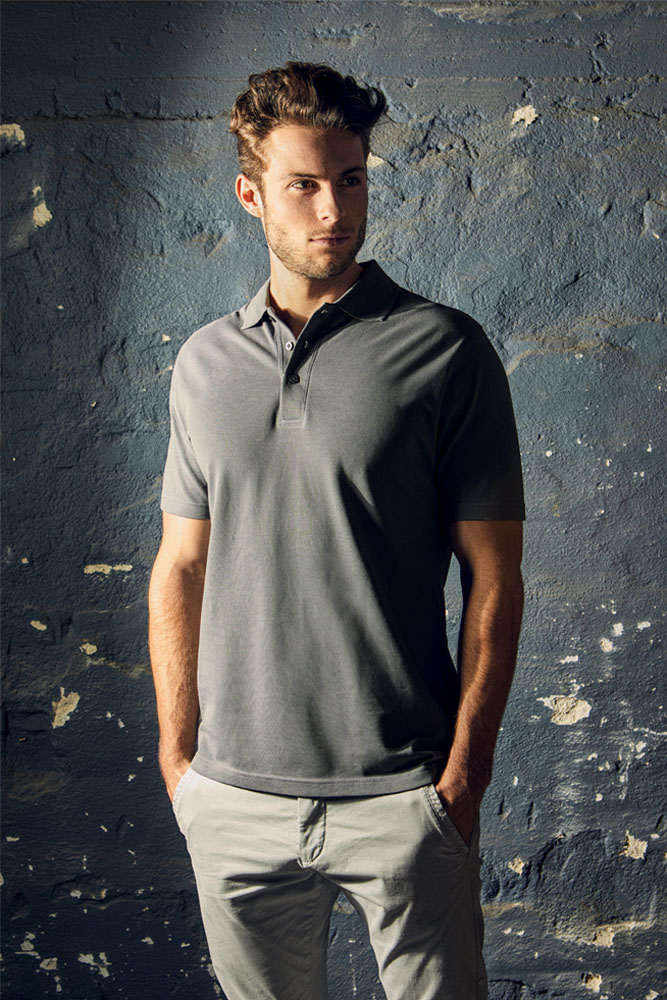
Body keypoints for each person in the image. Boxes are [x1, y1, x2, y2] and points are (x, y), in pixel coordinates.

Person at [148, 61, 525, 1000]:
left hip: (404, 795)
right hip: (232, 798)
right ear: (250, 194)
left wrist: (464, 774)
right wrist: (180, 760)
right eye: (303, 185)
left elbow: (494, 575)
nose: (333, 210)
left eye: (350, 180)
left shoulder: (445, 349)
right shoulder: (202, 362)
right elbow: (181, 565)